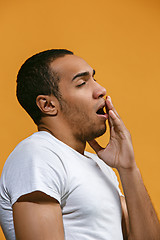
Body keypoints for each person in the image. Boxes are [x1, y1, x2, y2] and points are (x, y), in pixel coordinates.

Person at [0, 49, 159, 240]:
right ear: (48, 105)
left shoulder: (98, 165)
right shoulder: (38, 155)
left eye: (94, 78)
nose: (101, 90)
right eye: (82, 83)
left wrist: (128, 167)